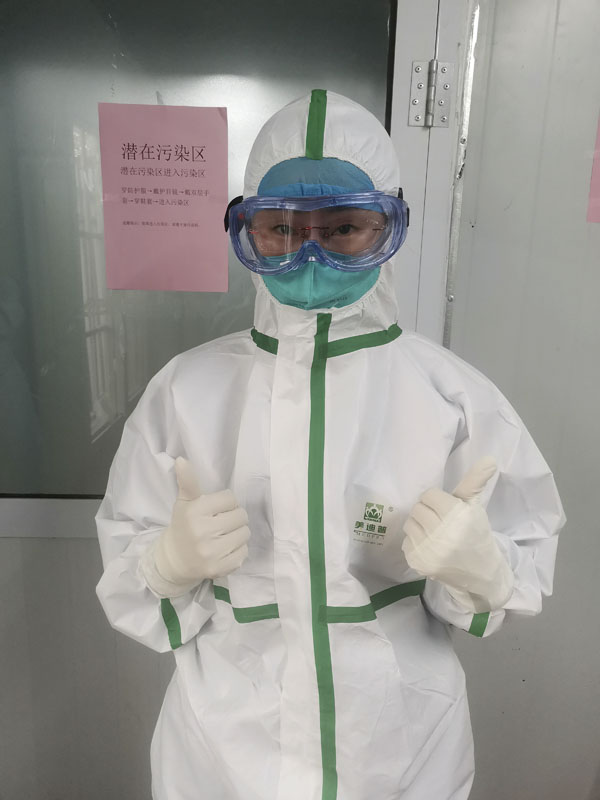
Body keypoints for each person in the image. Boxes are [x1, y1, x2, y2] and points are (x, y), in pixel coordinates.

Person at [96, 90, 565, 800]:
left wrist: (484, 570)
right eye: (282, 229)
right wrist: (163, 566)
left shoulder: (453, 398)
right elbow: (132, 580)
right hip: (224, 748)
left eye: (345, 227)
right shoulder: (186, 391)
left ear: (389, 227)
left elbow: (512, 569)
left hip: (398, 745)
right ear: (248, 231)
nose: (309, 252)